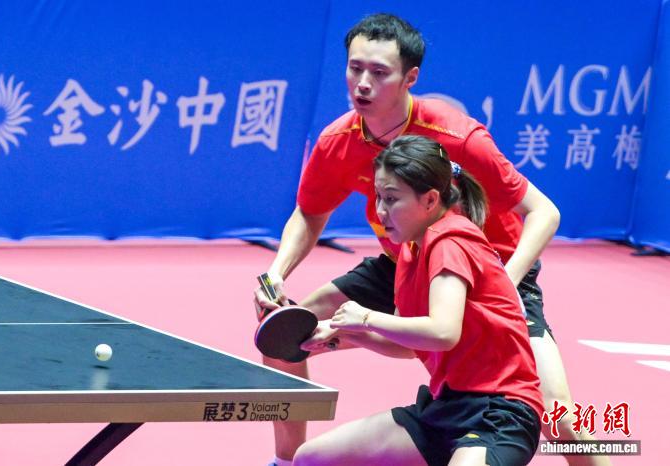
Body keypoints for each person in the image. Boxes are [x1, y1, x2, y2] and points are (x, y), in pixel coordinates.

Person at [254, 13, 610, 466]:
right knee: (288, 331)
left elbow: (544, 212)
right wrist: (276, 274)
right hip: (407, 259)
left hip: (492, 269)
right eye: (355, 68)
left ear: (410, 77)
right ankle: (287, 460)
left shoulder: (459, 137)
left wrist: (505, 283)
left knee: (557, 412)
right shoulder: (338, 140)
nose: (363, 83)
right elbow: (309, 213)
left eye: (379, 72)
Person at [293, 134, 542, 466]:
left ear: (430, 200)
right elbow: (408, 345)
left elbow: (443, 332)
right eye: (378, 197)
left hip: (500, 413)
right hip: (445, 408)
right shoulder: (410, 250)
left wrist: (365, 317)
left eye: (392, 199)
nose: (380, 211)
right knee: (311, 458)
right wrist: (342, 334)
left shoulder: (450, 240)